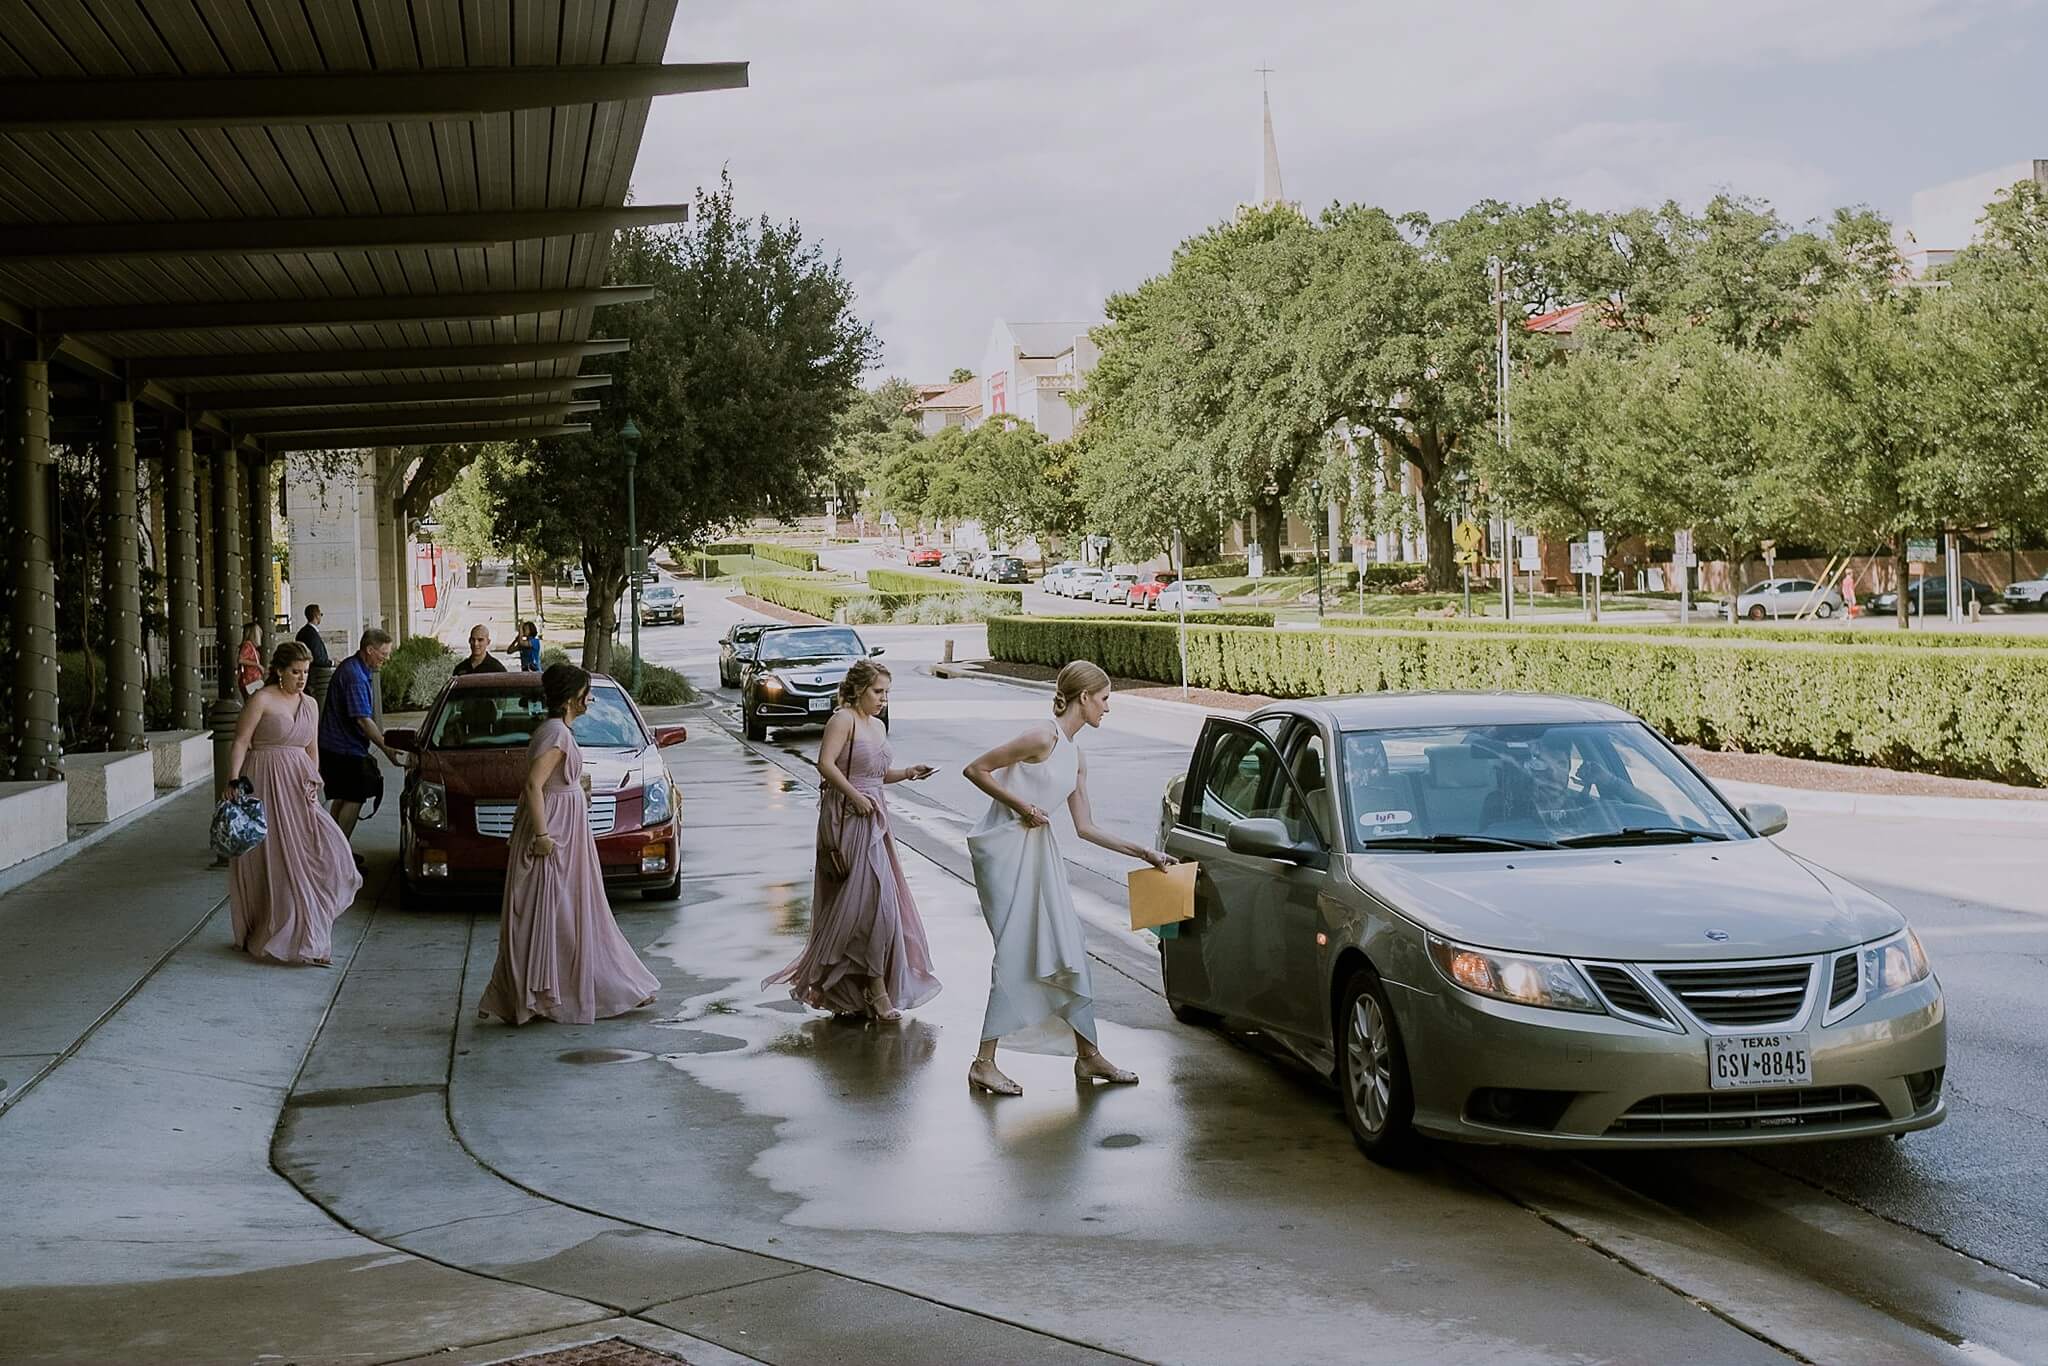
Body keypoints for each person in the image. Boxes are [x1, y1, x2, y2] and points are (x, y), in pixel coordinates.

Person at [961, 660, 1174, 1097]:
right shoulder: (1044, 735)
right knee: (1019, 951)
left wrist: (1145, 852)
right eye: (1104, 698)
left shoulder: (1075, 754)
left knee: (1069, 947)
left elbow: (1086, 827)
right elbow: (976, 769)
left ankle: (1088, 1054)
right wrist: (1022, 806)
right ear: (1083, 698)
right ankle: (983, 1063)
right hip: (1007, 850)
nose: (1108, 708)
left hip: (1040, 852)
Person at [476, 663, 661, 1025]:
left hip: (565, 830)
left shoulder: (558, 731)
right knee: (554, 911)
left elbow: (554, 783)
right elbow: (534, 785)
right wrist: (543, 837)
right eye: (586, 692)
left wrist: (579, 788)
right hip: (556, 834)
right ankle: (551, 993)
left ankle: (568, 989)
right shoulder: (556, 733)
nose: (590, 698)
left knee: (566, 911)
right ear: (572, 698)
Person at [763, 660, 941, 1022]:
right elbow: (825, 764)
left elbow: (875, 774)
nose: (883, 700)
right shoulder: (843, 719)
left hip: (876, 820)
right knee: (867, 907)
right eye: (878, 692)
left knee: (882, 908)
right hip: (847, 819)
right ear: (859, 689)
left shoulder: (876, 725)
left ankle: (868, 986)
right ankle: (873, 990)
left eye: (887, 693)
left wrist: (908, 773)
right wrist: (855, 798)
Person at [223, 640, 363, 964]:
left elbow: (312, 749)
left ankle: (310, 934)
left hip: (299, 786)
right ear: (280, 671)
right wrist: (233, 781)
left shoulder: (311, 704)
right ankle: (280, 933)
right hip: (263, 781)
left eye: (305, 672)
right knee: (273, 860)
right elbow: (241, 741)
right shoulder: (261, 699)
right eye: (295, 672)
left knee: (318, 854)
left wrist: (314, 784)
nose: (302, 678)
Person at [317, 627, 408, 846]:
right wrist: (388, 749)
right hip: (344, 750)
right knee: (354, 798)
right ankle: (340, 854)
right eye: (383, 654)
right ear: (369, 650)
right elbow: (363, 720)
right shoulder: (355, 677)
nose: (386, 659)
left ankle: (334, 852)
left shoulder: (353, 668)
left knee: (342, 797)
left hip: (336, 747)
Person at [295, 604, 331, 670]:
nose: (321, 617)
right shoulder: (312, 634)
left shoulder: (302, 631)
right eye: (321, 614)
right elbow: (317, 658)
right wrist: (332, 663)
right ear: (316, 615)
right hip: (315, 674)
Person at [236, 622, 264, 696]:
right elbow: (240, 660)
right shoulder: (247, 645)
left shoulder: (251, 646)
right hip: (250, 680)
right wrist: (257, 665)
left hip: (252, 680)